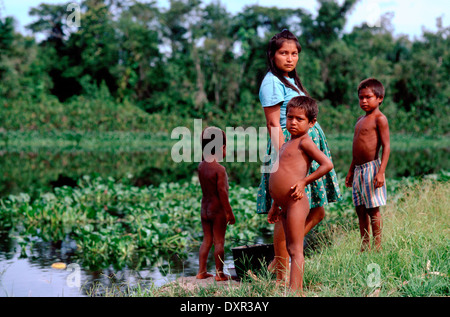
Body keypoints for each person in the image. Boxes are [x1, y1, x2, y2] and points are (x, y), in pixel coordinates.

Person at [256, 29, 342, 282]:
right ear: (272, 55)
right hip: (290, 151)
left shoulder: (288, 79)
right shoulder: (272, 82)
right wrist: (281, 161)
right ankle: (281, 266)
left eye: (294, 54)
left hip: (305, 150)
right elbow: (274, 124)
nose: (290, 58)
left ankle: (282, 256)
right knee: (286, 209)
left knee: (315, 211)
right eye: (284, 53)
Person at [268, 96, 333, 294]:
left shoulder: (305, 142)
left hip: (296, 202)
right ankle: (292, 288)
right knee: (289, 247)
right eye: (289, 118)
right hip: (283, 204)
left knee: (296, 250)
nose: (293, 122)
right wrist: (274, 206)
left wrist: (304, 181)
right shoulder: (288, 143)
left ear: (312, 123)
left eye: (299, 119)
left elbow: (327, 164)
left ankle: (297, 292)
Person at [345, 78, 390, 252]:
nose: (363, 101)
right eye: (361, 97)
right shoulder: (360, 119)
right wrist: (350, 171)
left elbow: (386, 147)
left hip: (372, 169)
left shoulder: (380, 119)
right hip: (358, 170)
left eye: (368, 97)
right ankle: (364, 245)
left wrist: (381, 172)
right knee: (360, 210)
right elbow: (356, 151)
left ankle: (377, 246)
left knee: (373, 210)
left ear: (379, 98)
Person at [197, 127, 236, 281]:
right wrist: (229, 212)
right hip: (217, 210)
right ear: (222, 148)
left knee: (207, 240)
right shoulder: (219, 169)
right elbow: (222, 193)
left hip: (204, 209)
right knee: (219, 241)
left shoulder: (201, 166)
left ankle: (201, 271)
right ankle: (219, 274)